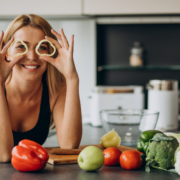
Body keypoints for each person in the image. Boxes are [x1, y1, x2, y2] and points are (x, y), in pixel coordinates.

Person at [0, 14, 82, 162]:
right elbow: (3, 155)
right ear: (6, 51)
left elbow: (69, 146)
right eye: (21, 46)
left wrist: (72, 78)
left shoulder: (56, 90)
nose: (32, 56)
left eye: (42, 47)